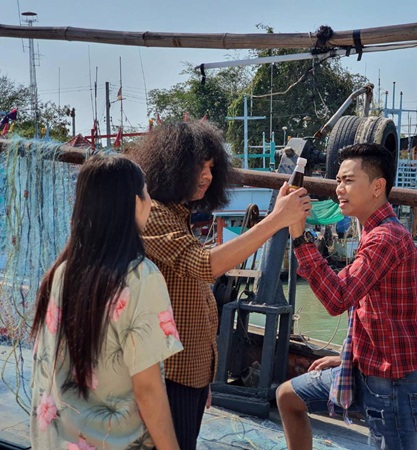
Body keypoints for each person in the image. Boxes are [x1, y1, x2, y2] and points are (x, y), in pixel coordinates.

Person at [128, 120, 311, 450]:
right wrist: (276, 220)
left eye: (212, 168)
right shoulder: (153, 214)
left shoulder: (179, 215)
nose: (208, 176)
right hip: (168, 375)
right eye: (200, 167)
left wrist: (205, 380)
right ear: (173, 167)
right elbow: (204, 265)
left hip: (191, 374)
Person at [276, 143, 417, 450]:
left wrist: (299, 236)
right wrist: (349, 356)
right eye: (338, 181)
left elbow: (338, 298)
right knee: (287, 397)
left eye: (348, 180)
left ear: (377, 187)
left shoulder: (387, 238)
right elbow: (372, 312)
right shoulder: (371, 233)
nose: (339, 189)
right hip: (363, 369)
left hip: (392, 387)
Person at [30, 154, 182, 450]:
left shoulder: (62, 271)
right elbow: (148, 390)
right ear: (135, 203)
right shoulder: (140, 277)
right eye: (146, 193)